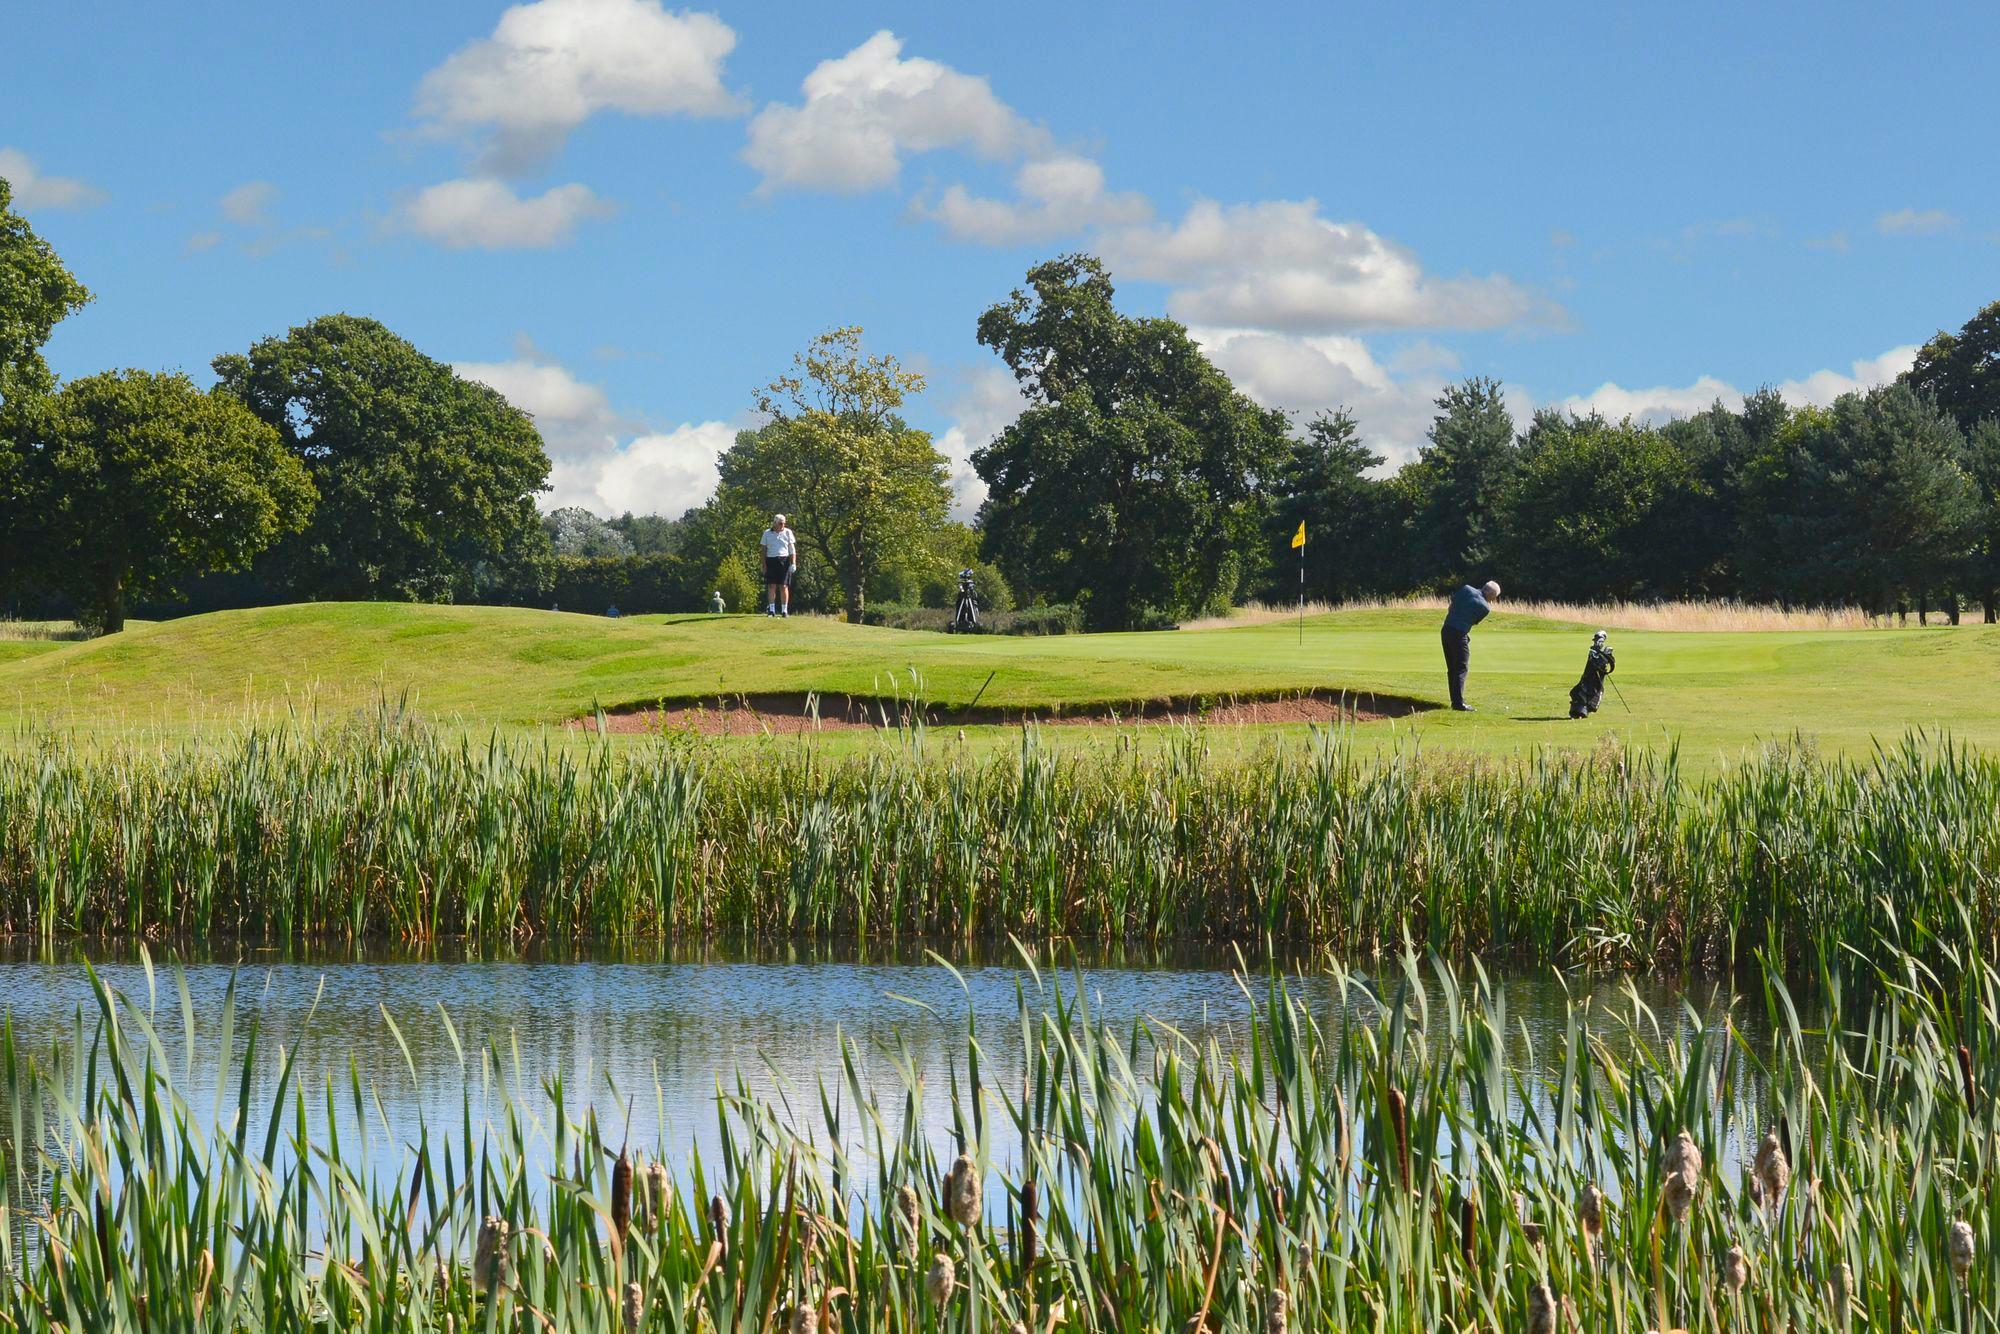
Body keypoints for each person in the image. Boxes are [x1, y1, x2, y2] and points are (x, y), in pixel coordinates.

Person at [1440, 580, 1500, 711]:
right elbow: (1471, 622)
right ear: (1491, 595)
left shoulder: (1466, 588)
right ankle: (1458, 703)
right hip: (1459, 635)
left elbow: (1451, 607)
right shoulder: (1485, 607)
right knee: (1461, 667)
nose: (1493, 601)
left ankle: (1455, 701)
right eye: (1494, 598)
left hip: (1446, 630)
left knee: (1452, 668)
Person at [1568, 630, 1615, 719]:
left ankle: (1580, 710)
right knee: (1583, 690)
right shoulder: (1593, 651)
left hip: (1591, 678)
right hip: (1591, 677)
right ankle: (1580, 710)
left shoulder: (1594, 651)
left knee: (1584, 690)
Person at [760, 513, 797, 617]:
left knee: (783, 586)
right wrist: (764, 565)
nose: (782, 525)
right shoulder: (767, 533)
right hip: (771, 560)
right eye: (780, 523)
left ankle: (784, 610)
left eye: (784, 523)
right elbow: (763, 550)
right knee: (771, 585)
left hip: (784, 560)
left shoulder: (788, 532)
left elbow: (792, 549)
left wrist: (793, 563)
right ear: (775, 523)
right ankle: (771, 610)